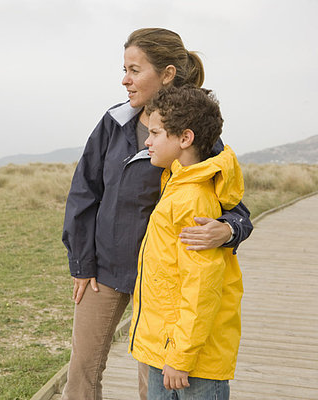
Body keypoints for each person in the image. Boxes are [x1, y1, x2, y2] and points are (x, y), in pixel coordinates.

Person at [61, 28, 253, 400]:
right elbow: (84, 191)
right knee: (82, 370)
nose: (125, 79)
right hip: (105, 268)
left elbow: (232, 204)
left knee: (151, 382)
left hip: (164, 280)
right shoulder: (113, 122)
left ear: (166, 74)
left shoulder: (191, 126)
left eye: (134, 70)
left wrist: (229, 229)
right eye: (124, 69)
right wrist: (82, 262)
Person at [129, 85, 243, 400]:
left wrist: (180, 357)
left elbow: (201, 287)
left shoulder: (193, 199)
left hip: (192, 362)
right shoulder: (177, 185)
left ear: (185, 138)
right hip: (163, 350)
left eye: (155, 133)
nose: (148, 141)